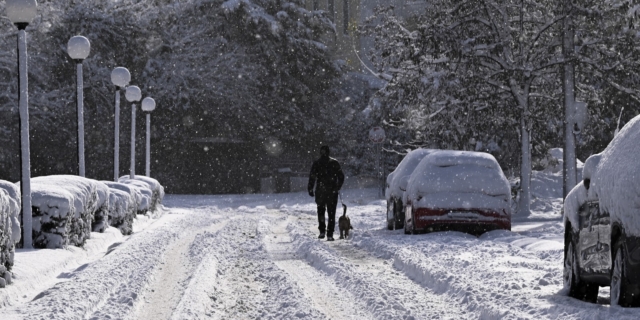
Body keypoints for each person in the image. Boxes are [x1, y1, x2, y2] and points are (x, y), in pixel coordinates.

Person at [308, 146, 345, 241]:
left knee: (321, 211)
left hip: (320, 191)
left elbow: (312, 177)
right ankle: (330, 233)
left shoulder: (317, 163)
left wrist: (310, 188)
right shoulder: (334, 163)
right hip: (332, 191)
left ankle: (322, 231)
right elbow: (341, 176)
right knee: (331, 213)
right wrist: (337, 187)